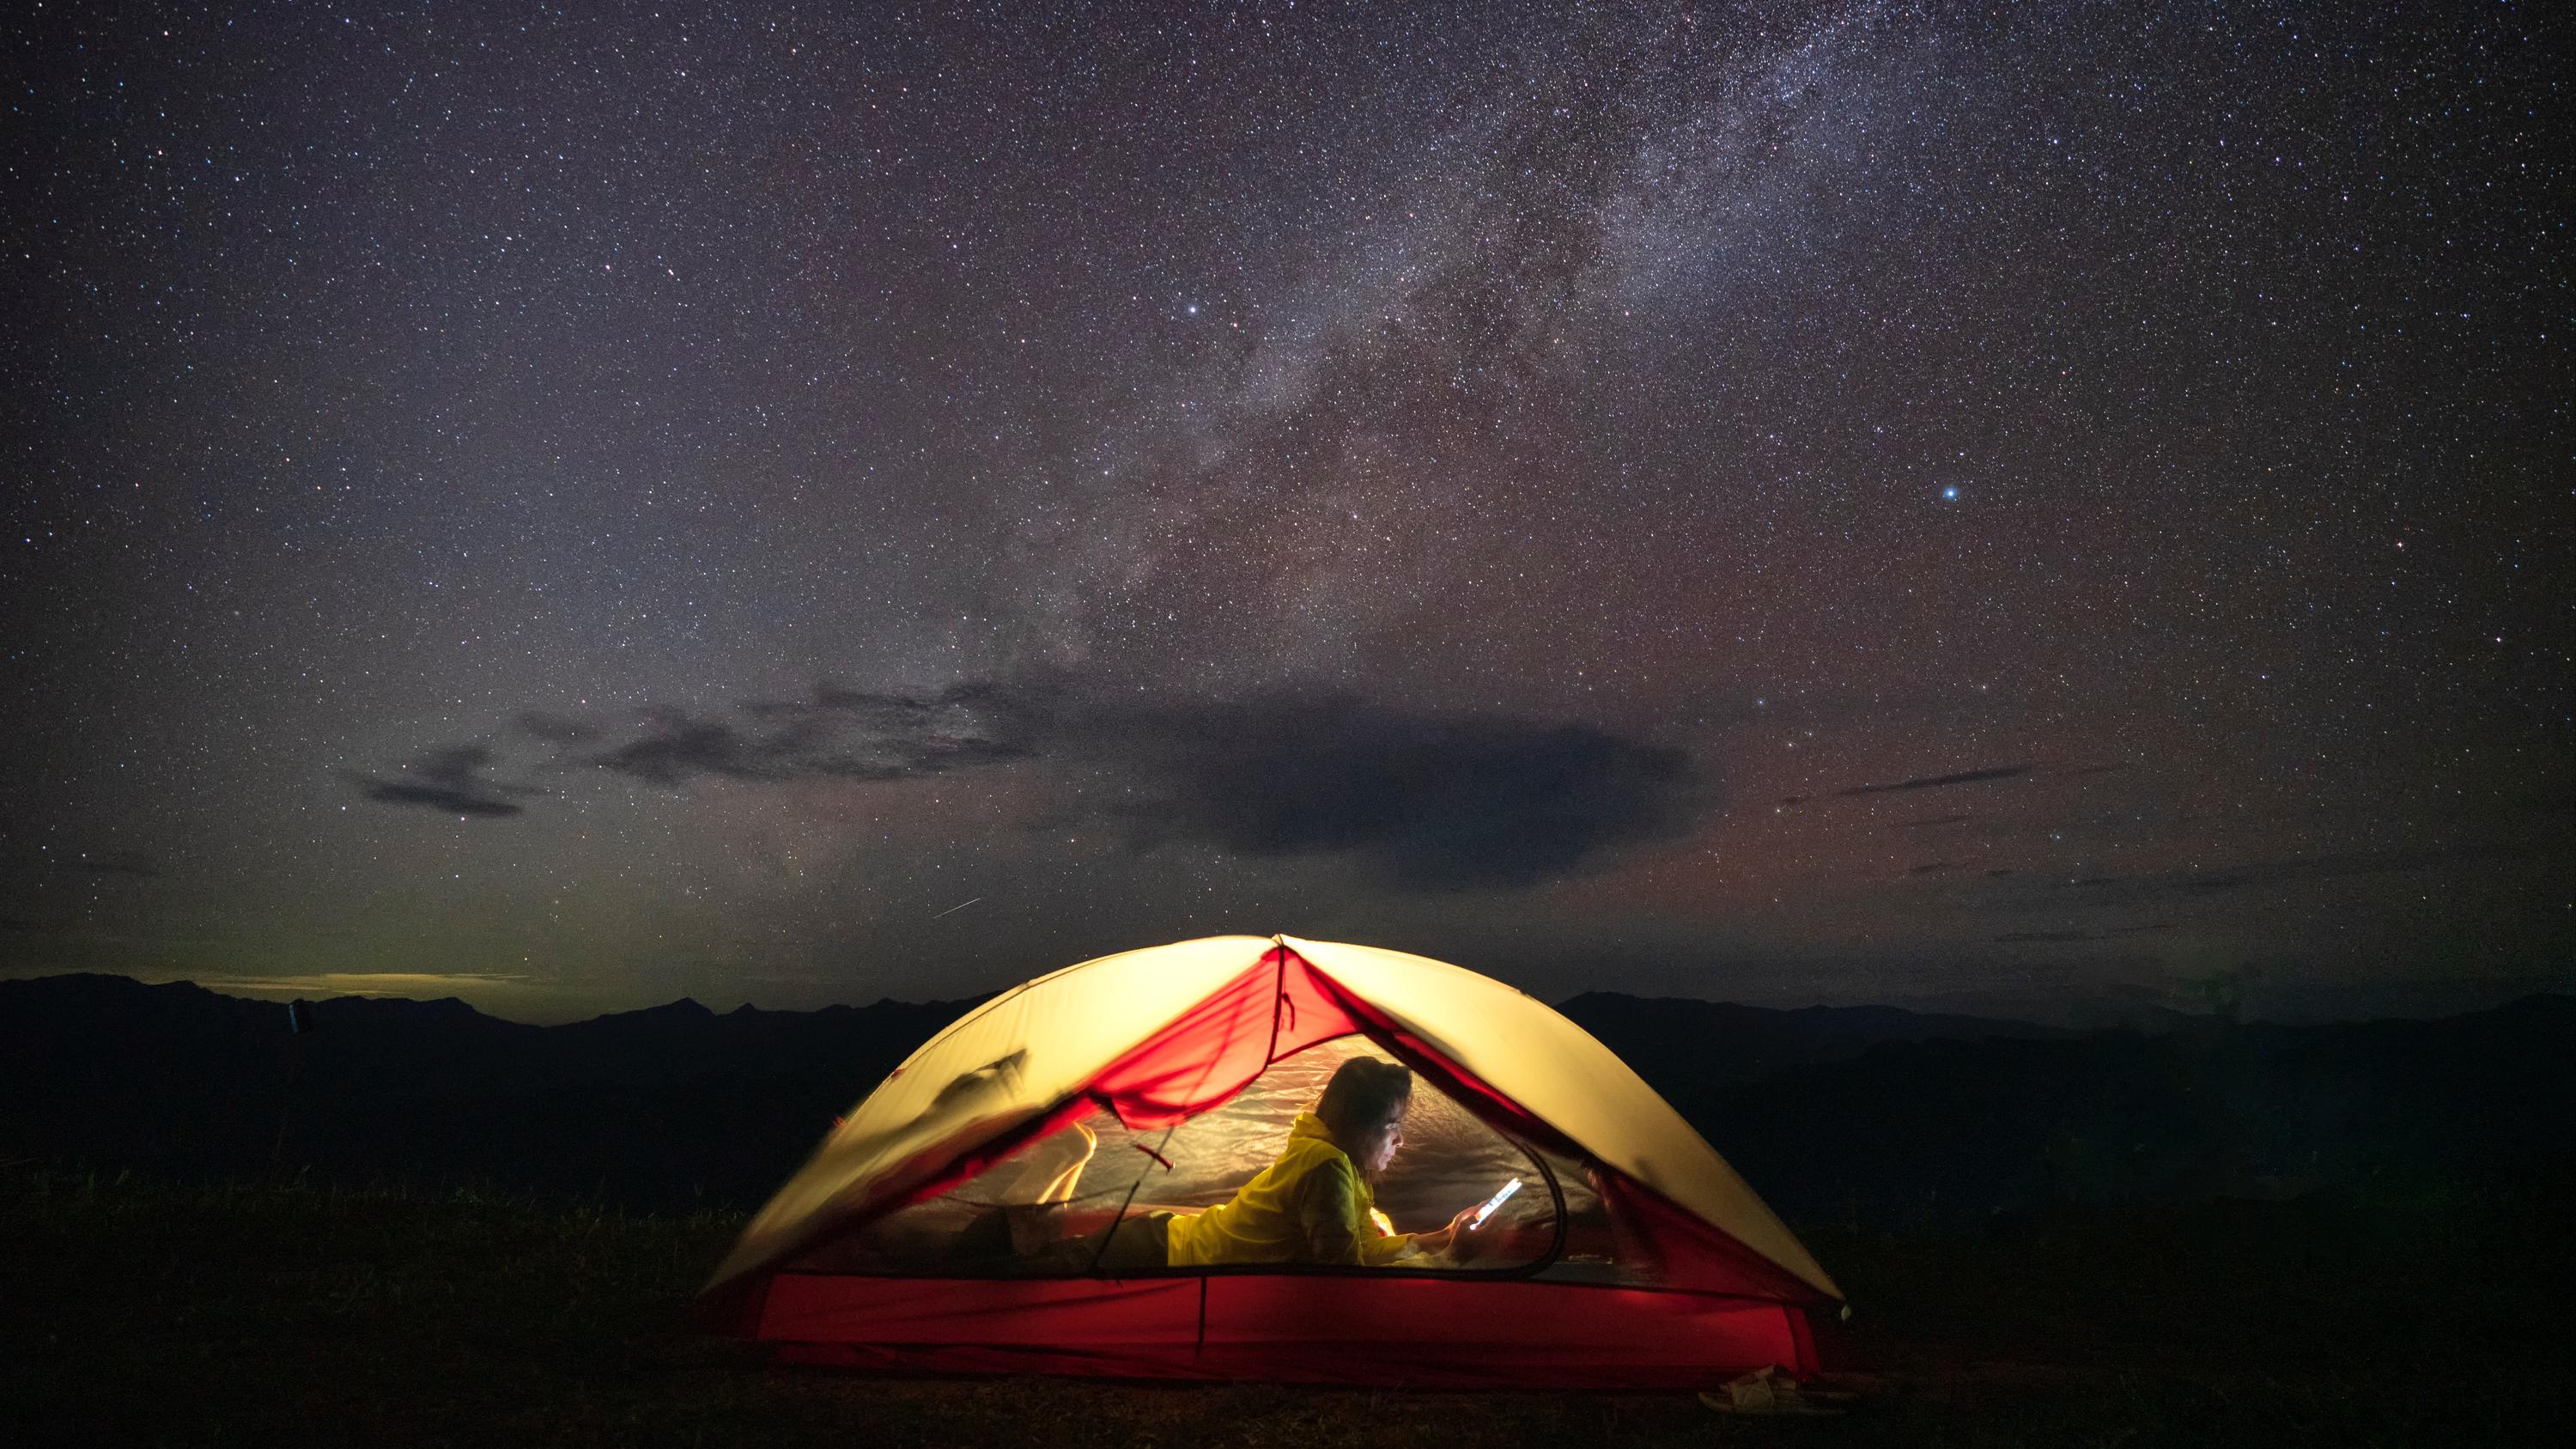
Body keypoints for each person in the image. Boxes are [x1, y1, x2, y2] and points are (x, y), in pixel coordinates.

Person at [962, 1056, 1484, 1274]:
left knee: (1037, 1254)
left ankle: (1046, 1181)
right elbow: (1344, 1277)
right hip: (1163, 1255)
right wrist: (1441, 1263)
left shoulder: (1332, 1159)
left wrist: (1436, 1237)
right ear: (1359, 1126)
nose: (1399, 1141)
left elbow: (1362, 1248)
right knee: (1013, 1275)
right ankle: (947, 1256)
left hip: (1169, 1239)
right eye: (1392, 1128)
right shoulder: (1326, 1167)